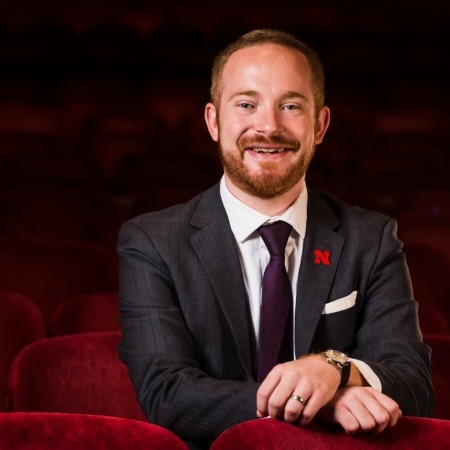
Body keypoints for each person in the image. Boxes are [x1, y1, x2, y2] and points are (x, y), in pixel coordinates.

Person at [116, 29, 434, 449]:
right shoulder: (151, 241)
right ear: (214, 121)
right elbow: (167, 394)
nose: (268, 126)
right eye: (247, 104)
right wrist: (320, 400)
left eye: (290, 106)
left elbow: (414, 385)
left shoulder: (372, 238)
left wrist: (332, 367)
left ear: (320, 125)